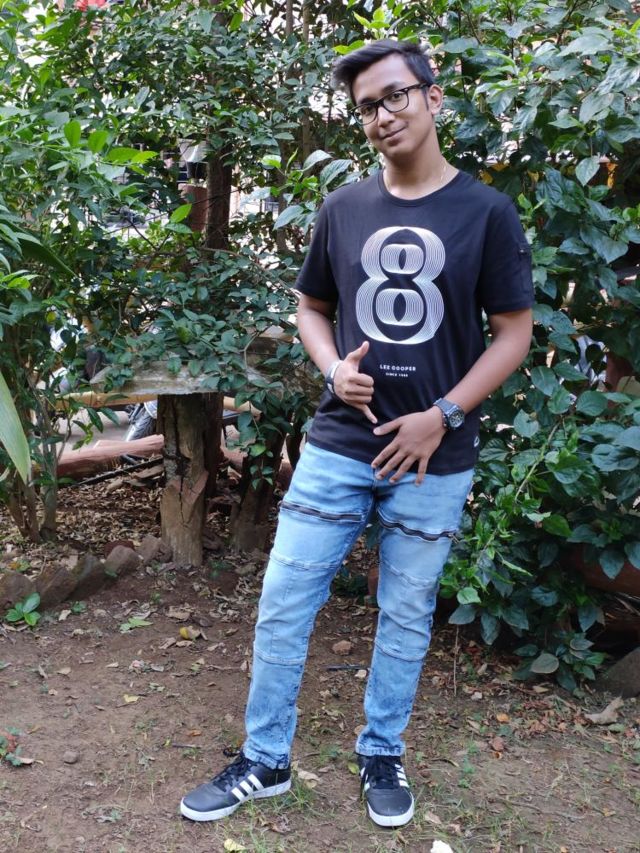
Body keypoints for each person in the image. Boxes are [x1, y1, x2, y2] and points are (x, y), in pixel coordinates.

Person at [180, 38, 534, 829]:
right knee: (283, 600)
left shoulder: (487, 212)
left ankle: (381, 752)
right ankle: (265, 759)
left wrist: (443, 415)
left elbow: (514, 332)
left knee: (405, 612)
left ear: (433, 97)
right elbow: (312, 307)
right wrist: (333, 366)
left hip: (435, 458)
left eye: (395, 95)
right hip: (340, 443)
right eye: (368, 106)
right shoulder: (342, 208)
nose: (382, 116)